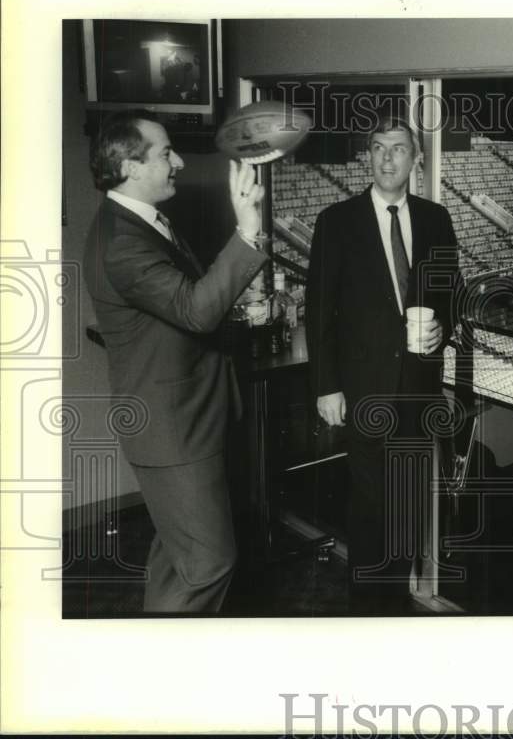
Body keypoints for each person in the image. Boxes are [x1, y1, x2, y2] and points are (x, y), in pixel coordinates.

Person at [83, 110, 268, 612]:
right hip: (171, 430)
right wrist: (248, 231)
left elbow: (181, 306)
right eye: (166, 153)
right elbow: (195, 310)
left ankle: (156, 662)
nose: (180, 162)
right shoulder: (123, 242)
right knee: (209, 562)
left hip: (185, 420)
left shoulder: (137, 222)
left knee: (179, 555)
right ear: (130, 166)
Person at [306, 115, 462, 614]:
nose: (388, 157)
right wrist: (326, 387)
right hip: (362, 388)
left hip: (418, 388)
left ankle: (394, 608)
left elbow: (450, 294)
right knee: (370, 508)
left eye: (398, 148)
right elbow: (319, 311)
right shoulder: (337, 221)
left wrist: (444, 328)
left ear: (416, 159)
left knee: (408, 508)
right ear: (368, 157)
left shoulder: (436, 218)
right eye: (378, 148)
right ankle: (365, 614)